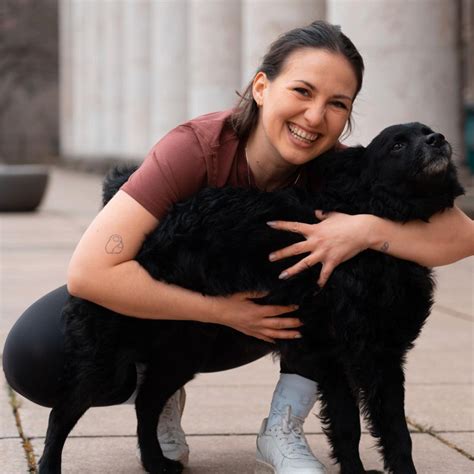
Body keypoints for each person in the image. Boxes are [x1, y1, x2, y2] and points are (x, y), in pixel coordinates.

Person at [3, 20, 474, 474]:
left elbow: (461, 235)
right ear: (262, 87)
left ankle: (282, 429)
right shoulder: (193, 149)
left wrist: (365, 230)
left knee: (334, 289)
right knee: (36, 353)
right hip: (172, 300)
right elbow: (89, 273)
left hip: (264, 321)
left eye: (337, 104)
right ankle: (158, 387)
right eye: (302, 91)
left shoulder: (340, 166)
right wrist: (219, 311)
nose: (315, 117)